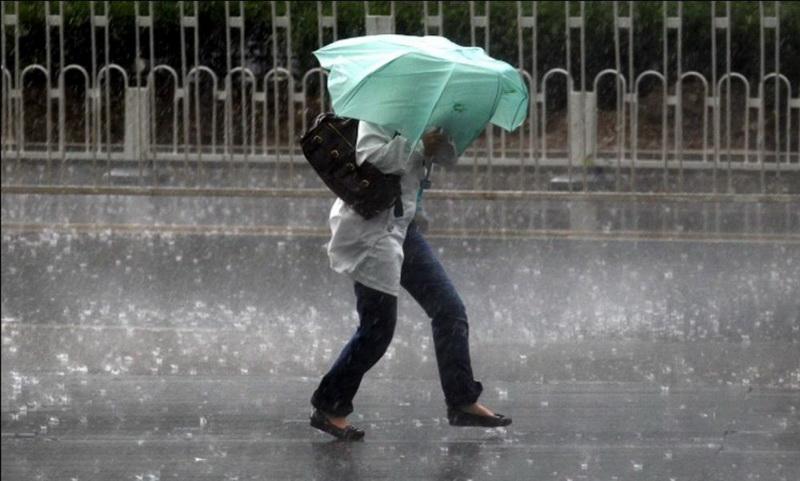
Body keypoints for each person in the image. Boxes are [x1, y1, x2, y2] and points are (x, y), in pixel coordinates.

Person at [309, 121, 511, 441]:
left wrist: (441, 146)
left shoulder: (424, 110)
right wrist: (419, 147)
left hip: (403, 229)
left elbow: (431, 163)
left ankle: (462, 401)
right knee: (377, 330)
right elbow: (370, 157)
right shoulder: (380, 109)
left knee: (449, 309)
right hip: (372, 230)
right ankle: (330, 405)